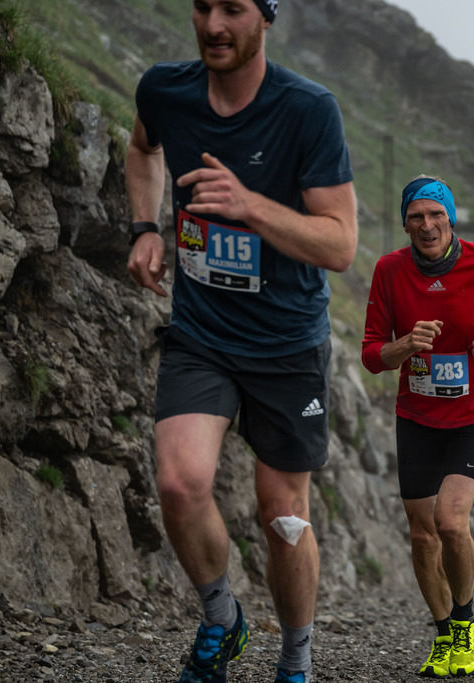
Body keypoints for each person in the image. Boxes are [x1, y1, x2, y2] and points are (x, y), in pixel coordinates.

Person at [125, 0, 357, 681]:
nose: (214, 25)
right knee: (178, 481)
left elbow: (341, 243)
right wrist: (144, 225)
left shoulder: (309, 110)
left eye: (234, 8)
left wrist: (249, 203)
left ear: (267, 18)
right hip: (203, 332)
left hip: (287, 342)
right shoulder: (163, 89)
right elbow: (143, 149)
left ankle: (295, 662)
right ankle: (221, 618)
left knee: (283, 515)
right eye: (202, 7)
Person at [361, 176, 474, 678]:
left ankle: (465, 623)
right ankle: (442, 635)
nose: (427, 225)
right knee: (421, 536)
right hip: (416, 418)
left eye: (436, 214)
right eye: (416, 216)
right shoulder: (389, 271)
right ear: (405, 223)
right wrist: (405, 346)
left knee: (451, 521)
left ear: (451, 218)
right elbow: (373, 355)